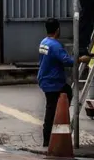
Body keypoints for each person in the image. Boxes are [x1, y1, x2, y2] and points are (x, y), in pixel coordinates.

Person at [37, 17, 89, 147]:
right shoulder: (55, 45)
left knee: (51, 106)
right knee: (53, 108)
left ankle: (47, 138)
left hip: (45, 79)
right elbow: (67, 61)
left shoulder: (44, 42)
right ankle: (49, 138)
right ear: (57, 30)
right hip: (53, 82)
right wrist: (81, 59)